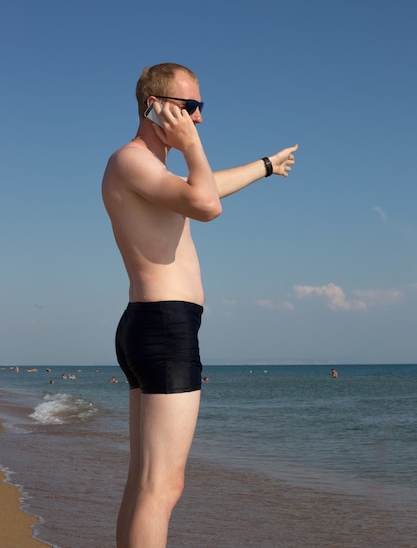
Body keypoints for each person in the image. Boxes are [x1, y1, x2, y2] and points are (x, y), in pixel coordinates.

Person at [102, 62, 298, 548]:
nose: (199, 119)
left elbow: (203, 191)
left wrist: (266, 167)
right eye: (191, 108)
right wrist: (191, 146)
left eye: (200, 109)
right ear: (155, 106)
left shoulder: (146, 169)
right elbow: (208, 206)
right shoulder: (131, 161)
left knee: (144, 482)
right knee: (161, 486)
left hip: (153, 325)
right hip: (165, 327)